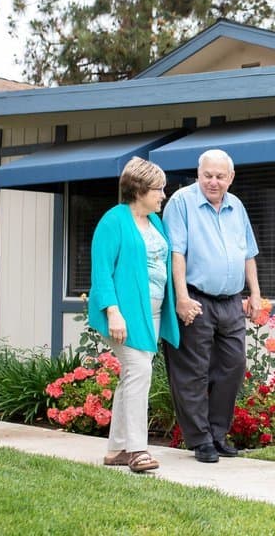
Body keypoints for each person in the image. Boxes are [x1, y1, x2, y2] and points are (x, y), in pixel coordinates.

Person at [162, 149, 263, 463]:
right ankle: (200, 440)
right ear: (198, 173)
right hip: (196, 297)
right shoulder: (181, 203)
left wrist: (255, 293)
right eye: (208, 175)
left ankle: (218, 435)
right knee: (192, 372)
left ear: (231, 178)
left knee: (233, 367)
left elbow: (248, 253)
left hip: (232, 301)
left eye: (220, 176)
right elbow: (175, 254)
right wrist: (181, 297)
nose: (214, 182)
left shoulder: (237, 205)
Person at [88, 157, 180, 473]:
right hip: (124, 315)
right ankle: (138, 450)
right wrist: (113, 313)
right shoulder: (113, 221)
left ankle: (116, 451)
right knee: (139, 372)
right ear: (139, 190)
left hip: (152, 313)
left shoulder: (156, 222)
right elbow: (102, 272)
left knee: (133, 377)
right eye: (158, 189)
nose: (163, 195)